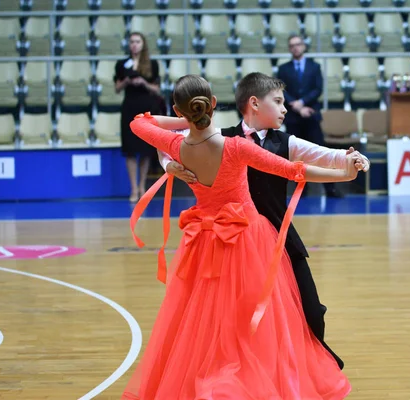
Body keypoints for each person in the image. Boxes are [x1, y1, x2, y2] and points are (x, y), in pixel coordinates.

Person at [122, 74, 361, 399]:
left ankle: (217, 380)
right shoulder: (236, 147)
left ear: (180, 109)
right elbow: (294, 171)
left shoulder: (177, 146)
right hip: (248, 243)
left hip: (204, 245)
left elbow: (139, 122)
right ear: (214, 105)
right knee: (258, 324)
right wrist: (344, 174)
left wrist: (178, 131)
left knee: (207, 324)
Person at [277, 34, 344, 198]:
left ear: (304, 46)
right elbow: (282, 90)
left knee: (322, 153)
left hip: (312, 116)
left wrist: (303, 102)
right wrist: (298, 107)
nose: (295, 47)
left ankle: (331, 189)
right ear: (289, 48)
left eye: (298, 44)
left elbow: (317, 89)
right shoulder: (283, 69)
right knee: (296, 156)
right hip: (293, 117)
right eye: (292, 45)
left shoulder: (314, 67)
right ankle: (302, 191)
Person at [114, 32, 162, 203]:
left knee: (145, 151)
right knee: (130, 150)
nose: (134, 45)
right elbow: (117, 88)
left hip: (146, 108)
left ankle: (142, 187)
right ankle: (133, 189)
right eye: (132, 42)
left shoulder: (152, 64)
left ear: (143, 44)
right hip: (129, 108)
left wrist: (144, 83)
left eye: (137, 41)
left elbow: (157, 89)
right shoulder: (121, 64)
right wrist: (127, 81)